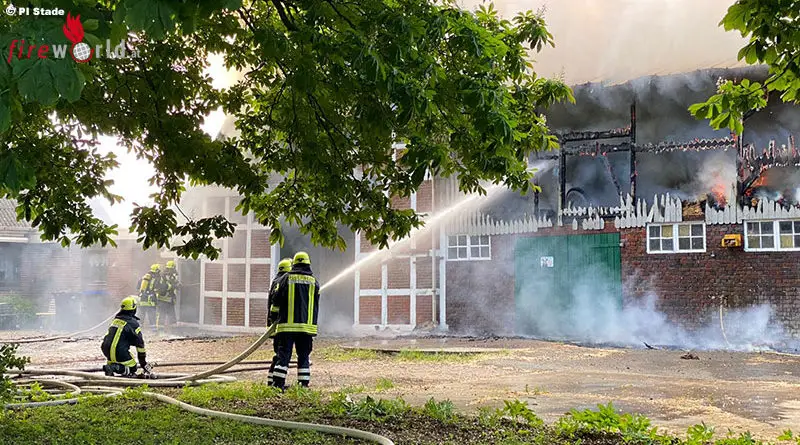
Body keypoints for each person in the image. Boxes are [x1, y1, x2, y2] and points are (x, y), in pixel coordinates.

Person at [269, 252, 320, 389]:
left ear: (295, 264)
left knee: (283, 357)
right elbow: (316, 304)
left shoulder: (286, 278)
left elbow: (276, 300)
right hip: (306, 329)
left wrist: (274, 319)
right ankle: (303, 385)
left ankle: (278, 385)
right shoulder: (314, 282)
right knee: (303, 357)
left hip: (287, 327)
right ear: (308, 264)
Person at [101, 296, 150, 377]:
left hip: (106, 349)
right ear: (133, 308)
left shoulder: (116, 320)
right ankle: (114, 368)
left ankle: (111, 367)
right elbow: (140, 344)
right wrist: (143, 363)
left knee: (116, 359)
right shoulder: (133, 323)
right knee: (133, 367)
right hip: (119, 351)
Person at [266, 258, 292, 387]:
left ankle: (271, 381)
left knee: (278, 355)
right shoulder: (283, 282)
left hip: (274, 325)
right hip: (280, 325)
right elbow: (276, 306)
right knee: (281, 355)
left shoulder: (276, 281)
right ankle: (276, 384)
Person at [158, 260, 180, 328]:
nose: (174, 270)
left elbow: (174, 282)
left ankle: (173, 330)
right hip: (163, 300)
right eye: (173, 268)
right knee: (162, 315)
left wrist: (178, 285)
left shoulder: (171, 276)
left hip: (170, 300)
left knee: (172, 315)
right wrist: (173, 286)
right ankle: (160, 330)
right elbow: (163, 287)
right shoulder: (163, 276)